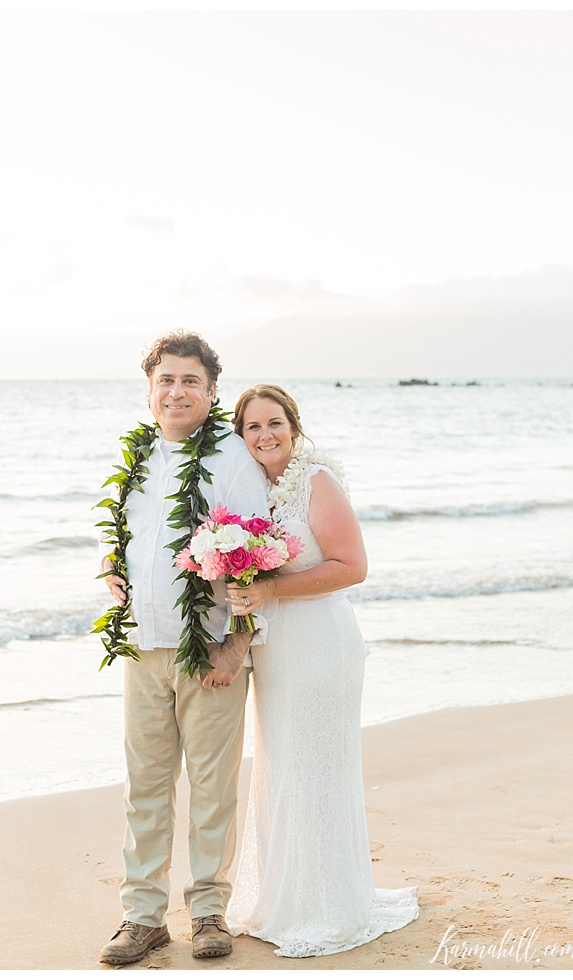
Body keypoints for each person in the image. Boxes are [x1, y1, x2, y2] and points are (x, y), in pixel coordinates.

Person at [224, 384, 419, 958]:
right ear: (241, 437)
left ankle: (328, 904)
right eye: (252, 427)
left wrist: (268, 589)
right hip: (278, 649)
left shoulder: (317, 482)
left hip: (321, 644)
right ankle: (283, 897)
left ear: (294, 425)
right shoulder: (252, 490)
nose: (265, 435)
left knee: (318, 768)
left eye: (274, 422)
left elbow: (352, 566)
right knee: (282, 767)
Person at [98, 332, 274, 966]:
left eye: (190, 381)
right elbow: (134, 542)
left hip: (207, 650)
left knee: (210, 787)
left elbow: (256, 552)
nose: (177, 391)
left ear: (211, 391)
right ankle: (141, 918)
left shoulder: (230, 455)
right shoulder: (138, 455)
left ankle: (207, 912)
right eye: (166, 380)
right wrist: (111, 565)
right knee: (144, 786)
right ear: (150, 388)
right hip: (143, 646)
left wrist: (237, 644)